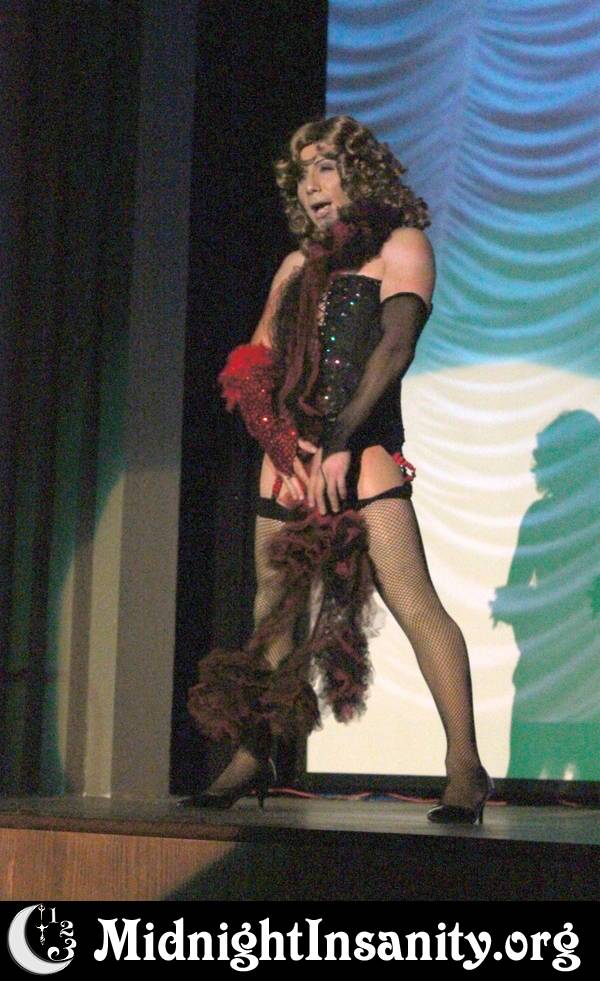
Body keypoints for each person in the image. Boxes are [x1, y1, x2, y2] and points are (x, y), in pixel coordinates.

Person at [185, 115, 492, 824]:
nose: (311, 185)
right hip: (292, 461)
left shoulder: (400, 246)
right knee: (271, 614)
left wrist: (341, 439)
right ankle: (255, 754)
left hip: (363, 448)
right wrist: (282, 445)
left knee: (414, 603)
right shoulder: (296, 266)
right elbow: (253, 364)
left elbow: (395, 348)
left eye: (324, 166)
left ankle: (464, 767)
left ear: (358, 171)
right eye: (301, 173)